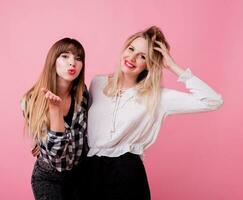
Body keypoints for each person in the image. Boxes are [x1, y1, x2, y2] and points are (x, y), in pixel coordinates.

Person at [84, 26, 223, 200]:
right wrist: (41, 135)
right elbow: (78, 122)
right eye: (131, 49)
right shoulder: (98, 83)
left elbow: (213, 101)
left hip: (126, 173)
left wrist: (172, 66)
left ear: (149, 64)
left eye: (142, 56)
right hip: (90, 171)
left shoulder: (157, 96)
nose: (132, 58)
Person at [20, 38, 89, 200]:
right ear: (53, 61)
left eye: (78, 58)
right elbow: (56, 155)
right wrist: (55, 110)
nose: (72, 63)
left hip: (80, 175)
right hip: (49, 178)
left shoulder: (83, 93)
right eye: (65, 56)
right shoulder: (31, 101)